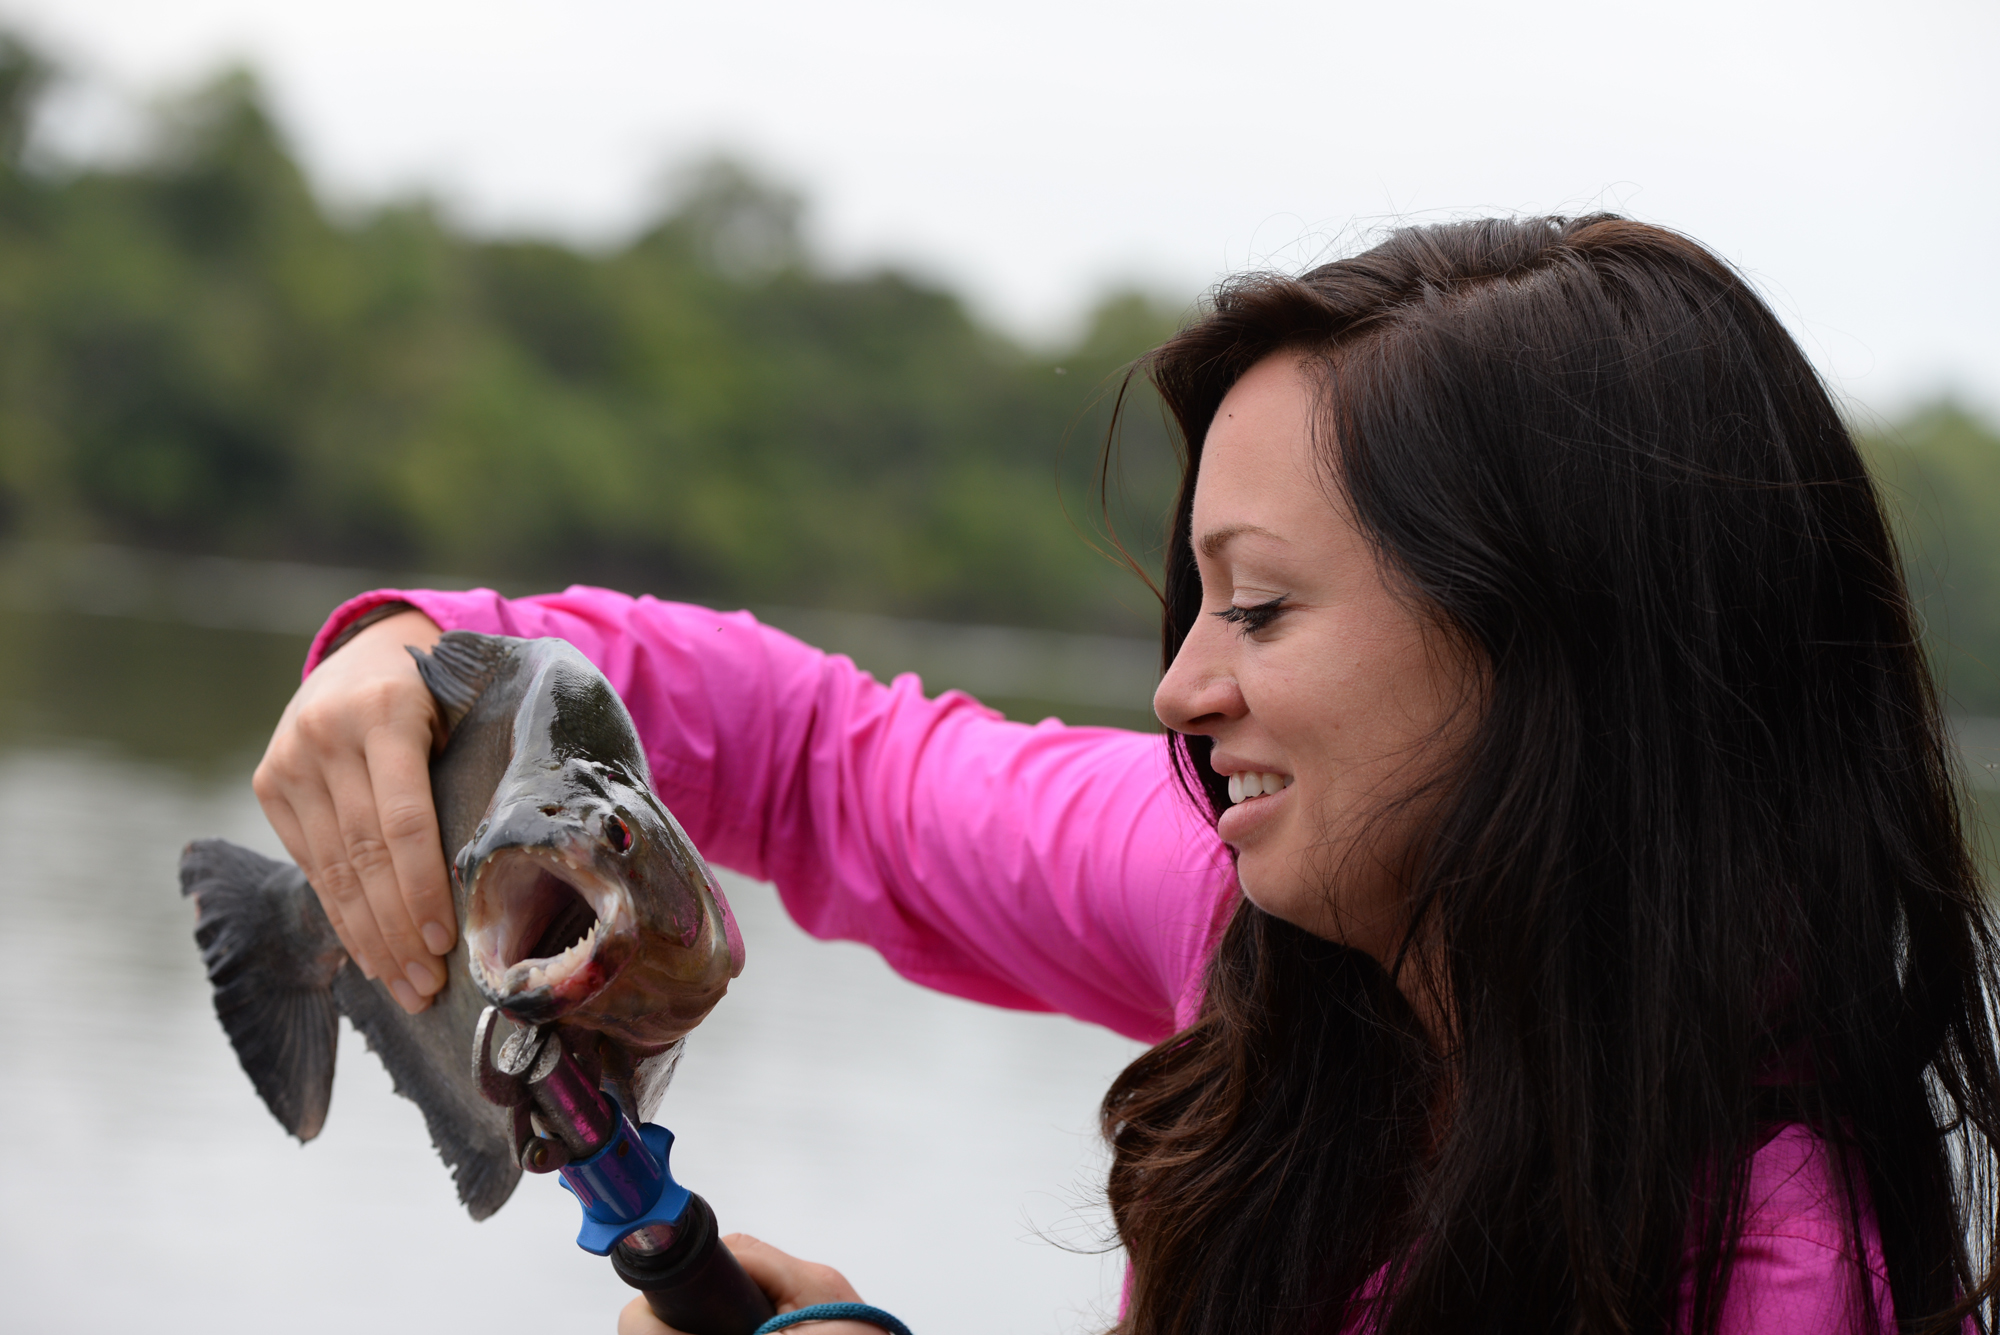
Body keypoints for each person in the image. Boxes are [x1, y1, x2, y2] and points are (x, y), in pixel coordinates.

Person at [253, 215, 2000, 1335]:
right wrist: (437, 656)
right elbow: (821, 761)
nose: (1181, 686)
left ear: (1558, 661)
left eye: (1259, 606)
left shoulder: (1779, 1280)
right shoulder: (1253, 901)